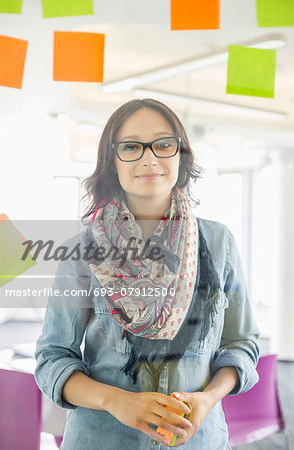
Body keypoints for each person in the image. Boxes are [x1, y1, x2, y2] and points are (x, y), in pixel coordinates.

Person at [34, 98, 260, 449]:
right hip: (102, 439)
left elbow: (241, 344)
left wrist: (208, 398)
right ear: (113, 161)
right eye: (131, 147)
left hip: (199, 440)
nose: (149, 158)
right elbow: (52, 358)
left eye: (163, 144)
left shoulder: (218, 242)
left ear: (180, 155)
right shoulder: (83, 249)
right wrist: (115, 401)